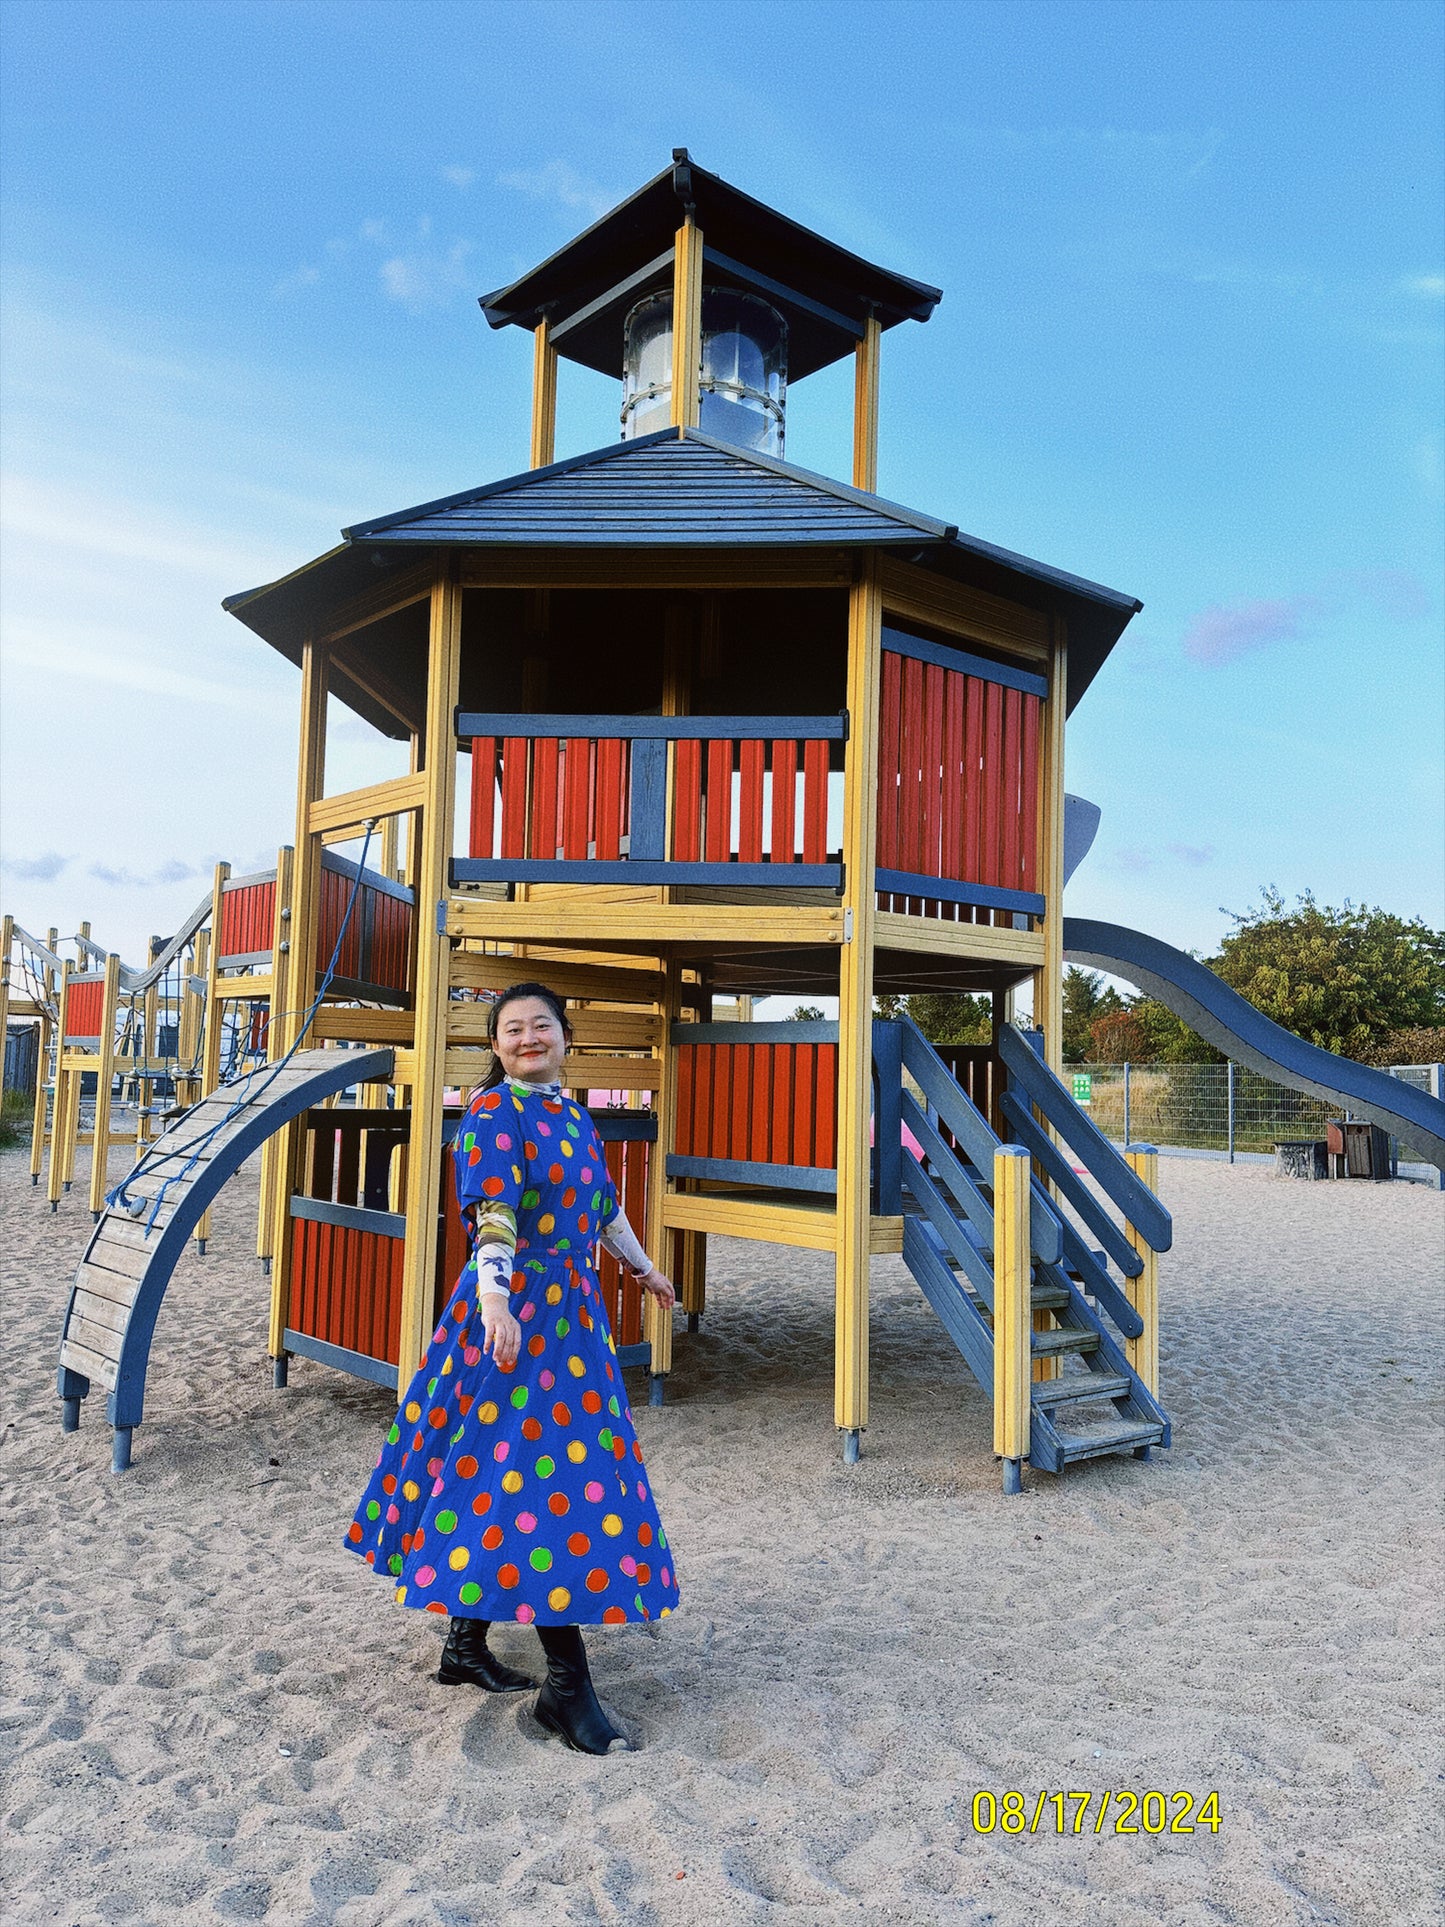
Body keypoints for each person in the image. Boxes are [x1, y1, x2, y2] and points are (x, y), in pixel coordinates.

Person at [345, 981, 678, 1753]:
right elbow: (490, 1211)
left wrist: (642, 1268)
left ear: (565, 1034)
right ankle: (568, 1685)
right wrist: (495, 1300)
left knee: (499, 1468)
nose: (527, 1038)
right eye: (511, 1030)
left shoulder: (570, 1112)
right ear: (495, 1046)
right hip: (514, 1315)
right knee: (540, 1480)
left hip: (568, 1314)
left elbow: (599, 1205)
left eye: (540, 1025)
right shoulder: (495, 1113)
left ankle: (464, 1647)